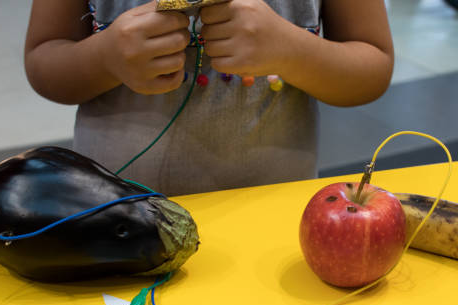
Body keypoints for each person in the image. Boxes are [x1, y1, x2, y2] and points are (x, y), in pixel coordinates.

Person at [24, 0, 394, 196]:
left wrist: (293, 51)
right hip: (111, 218)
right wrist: (104, 58)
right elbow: (45, 60)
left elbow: (372, 67)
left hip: (273, 223)